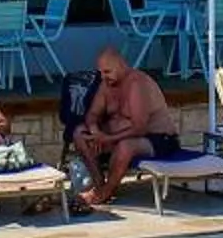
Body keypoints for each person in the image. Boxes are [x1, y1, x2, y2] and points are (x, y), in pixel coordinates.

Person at [76, 45, 180, 208]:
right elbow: (92, 114)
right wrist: (95, 132)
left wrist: (107, 138)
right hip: (117, 136)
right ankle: (98, 183)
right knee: (79, 133)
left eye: (107, 72)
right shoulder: (106, 84)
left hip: (157, 139)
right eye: (101, 72)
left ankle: (107, 192)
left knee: (126, 146)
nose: (103, 77)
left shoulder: (137, 84)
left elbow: (140, 127)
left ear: (121, 65)